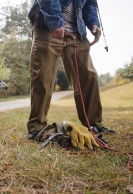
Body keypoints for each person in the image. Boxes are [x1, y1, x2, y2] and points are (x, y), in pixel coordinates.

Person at [27, 0, 115, 141]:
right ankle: (36, 128)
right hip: (47, 25)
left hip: (77, 31)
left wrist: (94, 23)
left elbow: (90, 4)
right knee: (43, 76)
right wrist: (55, 22)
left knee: (88, 76)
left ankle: (94, 124)